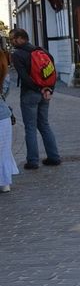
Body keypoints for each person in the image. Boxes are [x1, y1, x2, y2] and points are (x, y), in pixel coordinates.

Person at [9, 28, 61, 170]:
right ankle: (54, 157)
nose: (11, 42)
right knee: (44, 124)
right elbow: (52, 71)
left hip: (30, 94)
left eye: (13, 39)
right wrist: (49, 89)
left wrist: (38, 89)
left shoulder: (18, 54)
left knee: (30, 127)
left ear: (21, 38)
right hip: (45, 94)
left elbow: (24, 77)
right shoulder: (42, 51)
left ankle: (32, 161)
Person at [0, 47, 19, 192]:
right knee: (4, 150)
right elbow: (5, 93)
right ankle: (5, 182)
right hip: (3, 116)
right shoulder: (4, 73)